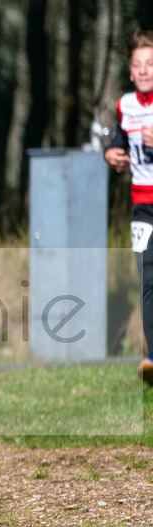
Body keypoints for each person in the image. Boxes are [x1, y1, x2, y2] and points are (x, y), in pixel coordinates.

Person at [105, 28, 153, 386]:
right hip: (142, 208)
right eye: (137, 64)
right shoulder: (125, 105)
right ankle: (152, 358)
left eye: (150, 63)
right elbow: (118, 138)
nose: (144, 70)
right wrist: (112, 153)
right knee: (147, 282)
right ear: (129, 69)